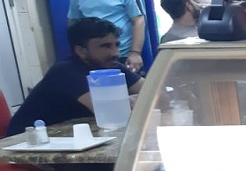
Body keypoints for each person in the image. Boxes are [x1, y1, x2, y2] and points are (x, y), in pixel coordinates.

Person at [7, 18, 144, 136]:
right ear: (81, 51)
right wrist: (133, 100)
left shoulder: (110, 65)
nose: (115, 53)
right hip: (27, 143)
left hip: (67, 137)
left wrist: (128, 101)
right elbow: (109, 111)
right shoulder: (66, 71)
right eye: (105, 46)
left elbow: (154, 95)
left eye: (116, 45)